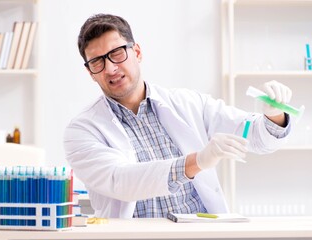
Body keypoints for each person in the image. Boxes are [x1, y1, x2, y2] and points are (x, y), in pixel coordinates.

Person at [64, 13, 293, 218]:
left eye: (116, 53)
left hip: (198, 233)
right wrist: (196, 162)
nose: (110, 68)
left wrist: (274, 115)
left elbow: (258, 138)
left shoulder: (189, 103)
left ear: (137, 52)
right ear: (90, 72)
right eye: (97, 62)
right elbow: (120, 181)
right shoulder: (81, 130)